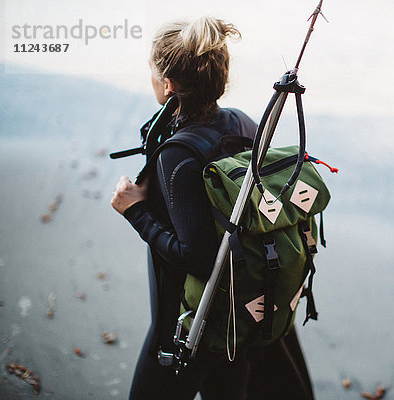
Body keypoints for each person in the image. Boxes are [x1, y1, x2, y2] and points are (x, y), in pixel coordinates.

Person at [111, 17, 314, 400]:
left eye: (154, 73)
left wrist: (134, 210)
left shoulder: (177, 156)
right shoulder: (244, 123)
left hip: (189, 325)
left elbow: (199, 258)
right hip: (238, 319)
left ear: (168, 85)